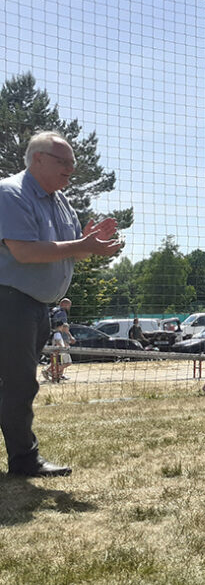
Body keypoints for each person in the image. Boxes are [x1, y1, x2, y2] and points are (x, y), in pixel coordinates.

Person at [0, 130, 122, 476]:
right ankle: (25, 461)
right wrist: (82, 244)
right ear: (37, 158)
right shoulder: (11, 193)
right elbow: (24, 251)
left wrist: (91, 241)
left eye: (73, 163)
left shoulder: (59, 200)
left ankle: (23, 457)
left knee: (14, 383)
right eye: (64, 162)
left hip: (37, 307)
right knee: (19, 383)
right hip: (9, 303)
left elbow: (71, 250)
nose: (71, 169)